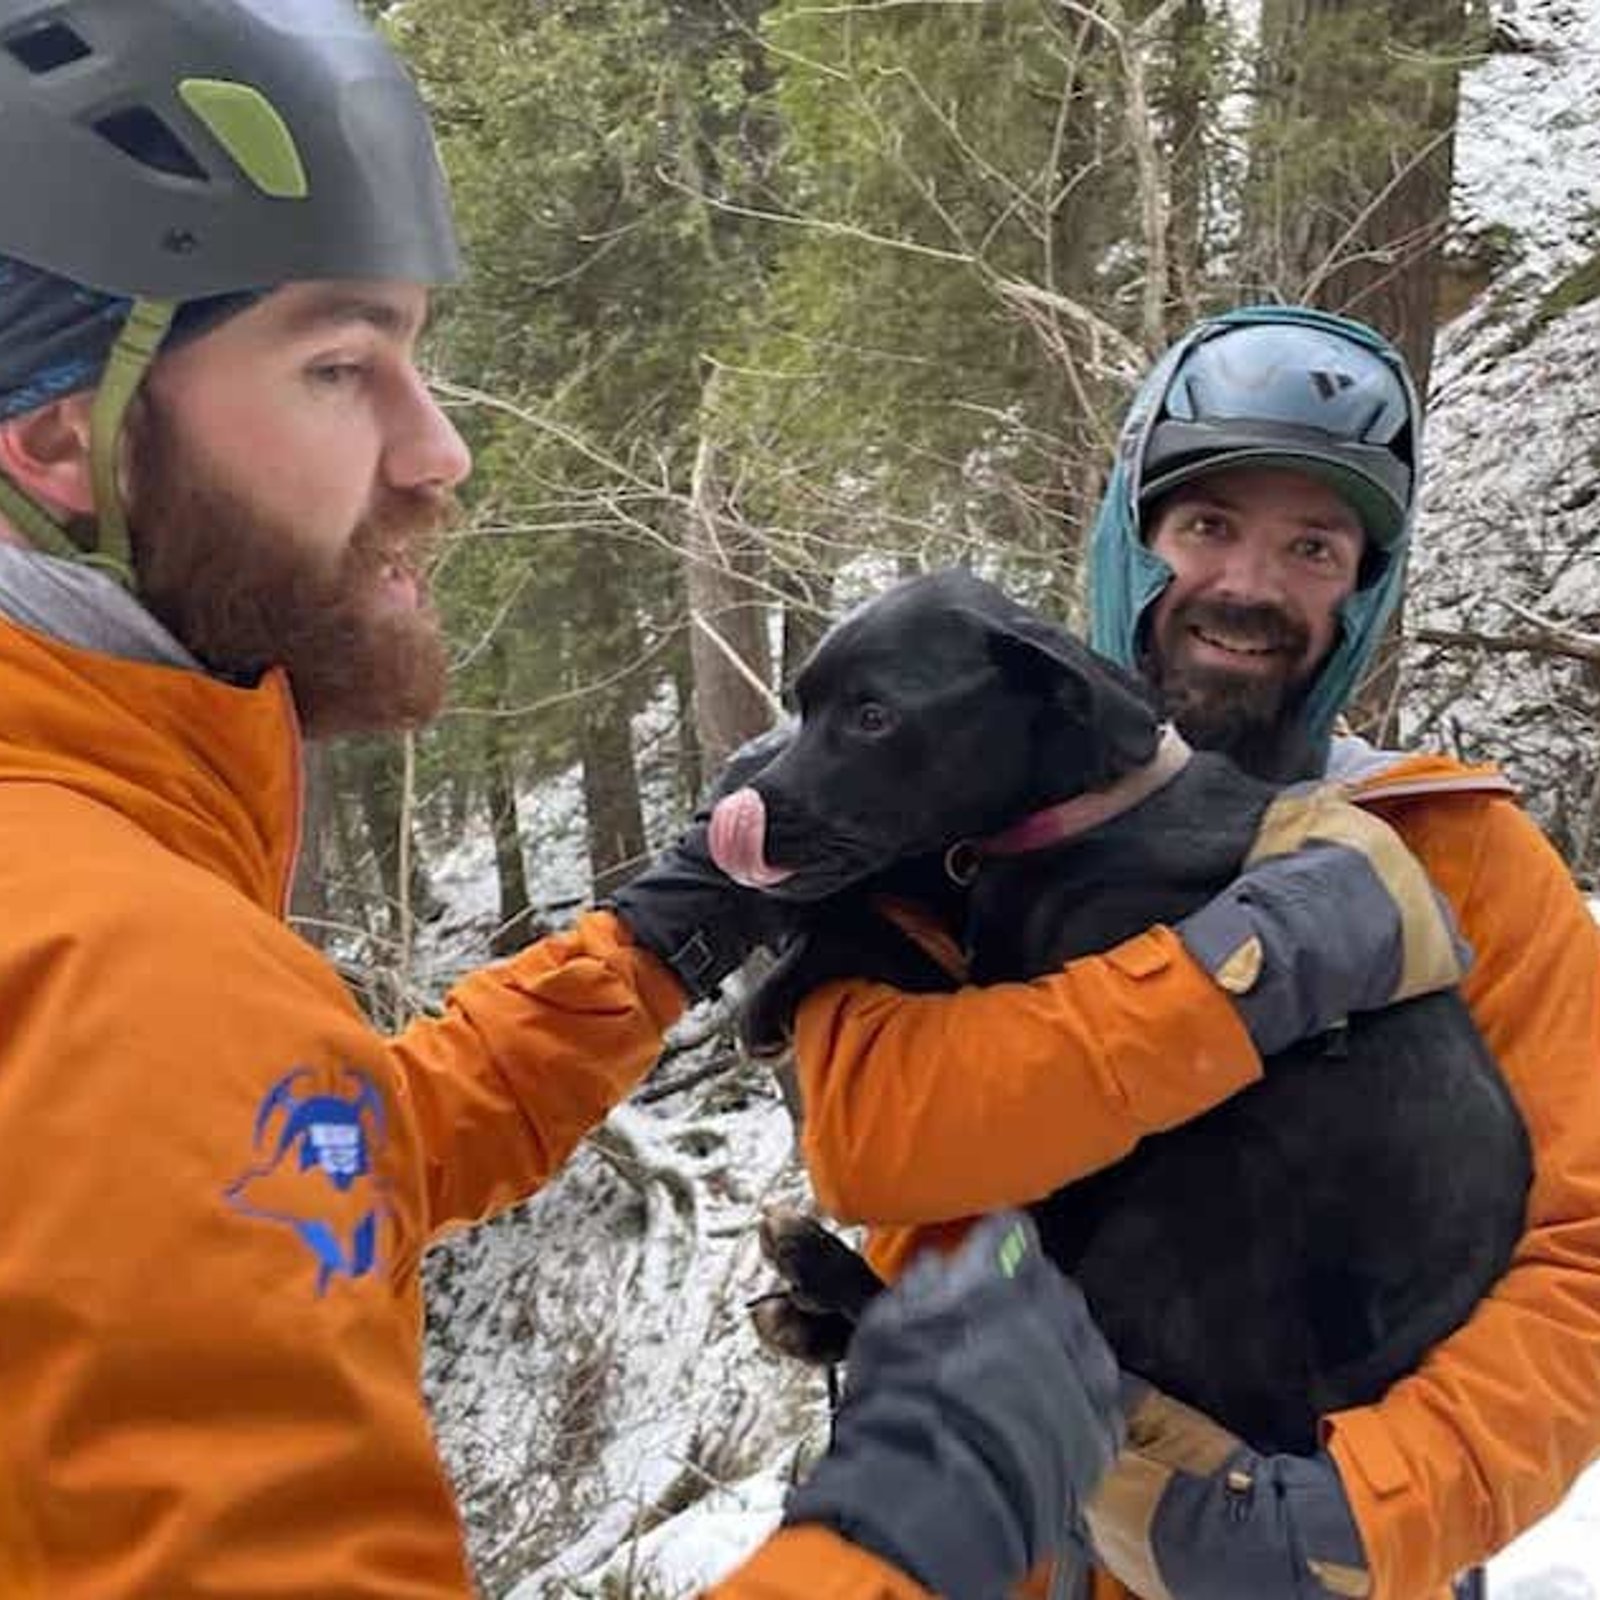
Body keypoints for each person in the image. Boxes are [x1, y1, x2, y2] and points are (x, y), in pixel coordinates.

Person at [0, 3, 1137, 1596]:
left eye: (415, 352)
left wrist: (660, 940)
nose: (440, 450)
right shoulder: (128, 977)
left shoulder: (71, 919)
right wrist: (913, 1525)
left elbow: (288, 1176)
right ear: (66, 439)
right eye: (339, 363)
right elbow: (192, 1098)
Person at [774, 308, 1600, 1599]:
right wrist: (1248, 972)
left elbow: (1584, 1257)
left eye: (1313, 549)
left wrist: (1359, 1520)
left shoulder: (1458, 859)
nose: (1251, 591)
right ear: (1129, 538)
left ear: (1366, 589)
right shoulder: (954, 823)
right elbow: (877, 1132)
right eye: (1207, 526)